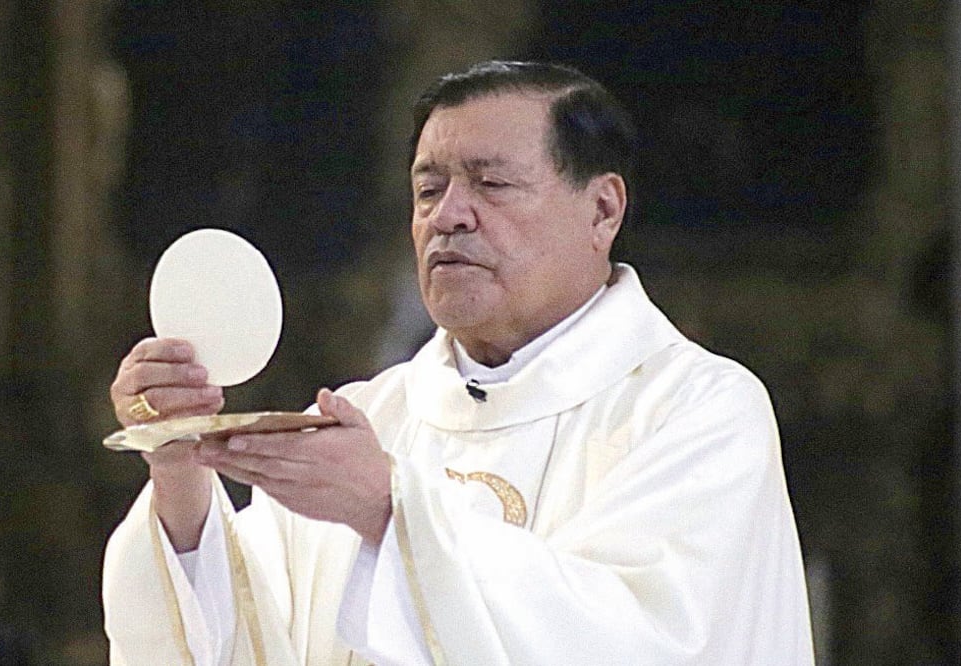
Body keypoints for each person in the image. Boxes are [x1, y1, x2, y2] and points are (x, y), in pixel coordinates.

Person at [102, 60, 815, 665]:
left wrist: (389, 511)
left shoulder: (698, 411)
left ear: (602, 210)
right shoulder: (371, 419)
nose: (449, 215)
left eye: (491, 184)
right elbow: (244, 640)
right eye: (428, 188)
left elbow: (643, 644)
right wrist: (179, 472)